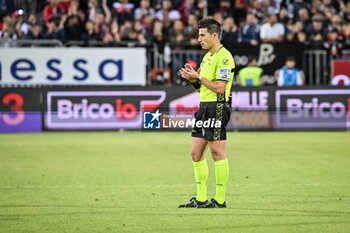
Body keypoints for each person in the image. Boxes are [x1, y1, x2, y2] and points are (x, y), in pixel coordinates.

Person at [179, 18, 235, 208]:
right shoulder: (207, 57)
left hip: (218, 107)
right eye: (198, 35)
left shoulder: (224, 57)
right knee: (196, 153)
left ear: (214, 35)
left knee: (218, 153)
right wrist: (193, 79)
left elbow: (220, 88)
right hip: (204, 107)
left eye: (202, 35)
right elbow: (203, 89)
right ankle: (201, 198)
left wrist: (199, 77)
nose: (198, 39)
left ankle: (219, 200)